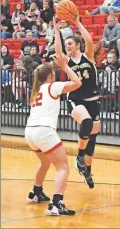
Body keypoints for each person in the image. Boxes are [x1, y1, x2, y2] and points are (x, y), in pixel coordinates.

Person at [25, 53, 81, 215]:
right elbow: (77, 83)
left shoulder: (36, 90)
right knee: (63, 167)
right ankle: (56, 203)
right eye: (54, 72)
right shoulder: (52, 86)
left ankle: (36, 192)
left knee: (45, 162)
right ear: (50, 75)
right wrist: (65, 67)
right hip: (44, 131)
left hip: (30, 132)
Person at [54, 15, 101, 189]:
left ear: (77, 45)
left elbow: (89, 41)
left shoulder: (88, 57)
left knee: (93, 139)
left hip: (93, 100)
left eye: (70, 44)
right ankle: (79, 157)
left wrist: (77, 22)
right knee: (87, 122)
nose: (68, 47)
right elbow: (58, 51)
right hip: (75, 99)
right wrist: (57, 30)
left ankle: (87, 169)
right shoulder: (66, 61)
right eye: (67, 45)